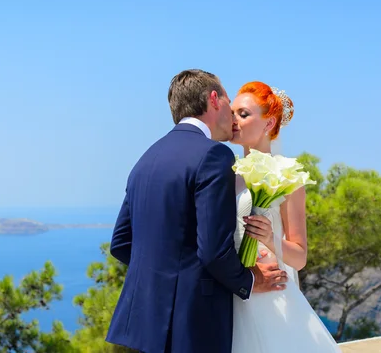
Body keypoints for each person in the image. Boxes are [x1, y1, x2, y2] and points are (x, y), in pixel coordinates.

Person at [106, 70, 288, 353]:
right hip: (191, 325)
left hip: (144, 325)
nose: (232, 114)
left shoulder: (147, 158)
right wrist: (252, 280)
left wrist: (166, 278)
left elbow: (121, 244)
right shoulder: (213, 155)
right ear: (214, 99)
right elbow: (213, 250)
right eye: (229, 102)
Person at [230, 81, 341, 352]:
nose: (233, 120)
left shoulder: (287, 175)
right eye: (231, 112)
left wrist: (270, 239)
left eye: (243, 114)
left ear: (268, 124)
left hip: (272, 297)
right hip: (233, 294)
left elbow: (299, 257)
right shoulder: (225, 173)